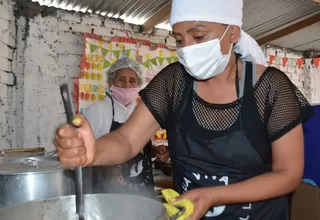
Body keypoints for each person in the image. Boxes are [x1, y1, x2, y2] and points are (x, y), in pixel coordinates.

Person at [54, 0, 315, 219]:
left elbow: (288, 174)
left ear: (233, 33)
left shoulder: (270, 88)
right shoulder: (173, 82)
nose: (188, 48)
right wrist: (94, 151)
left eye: (199, 36)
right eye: (179, 39)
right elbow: (126, 140)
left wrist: (212, 196)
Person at [83, 57, 154, 197]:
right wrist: (106, 169)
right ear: (111, 82)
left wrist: (158, 152)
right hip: (107, 190)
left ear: (138, 84)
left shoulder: (142, 111)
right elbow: (85, 152)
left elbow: (144, 149)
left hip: (141, 189)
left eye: (132, 81)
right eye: (121, 79)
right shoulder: (98, 110)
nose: (127, 85)